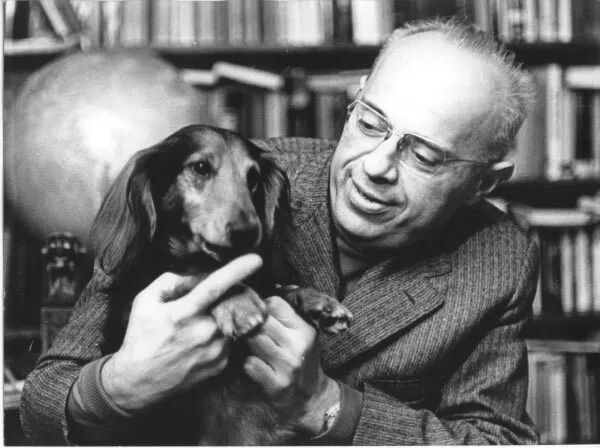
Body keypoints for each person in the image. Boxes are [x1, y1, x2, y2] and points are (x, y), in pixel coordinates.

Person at [21, 18, 539, 445]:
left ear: (483, 183)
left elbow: (498, 441)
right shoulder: (243, 183)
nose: (376, 166)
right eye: (370, 123)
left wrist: (327, 406)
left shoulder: (499, 260)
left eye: (423, 155)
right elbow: (42, 402)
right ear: (356, 98)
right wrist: (119, 387)